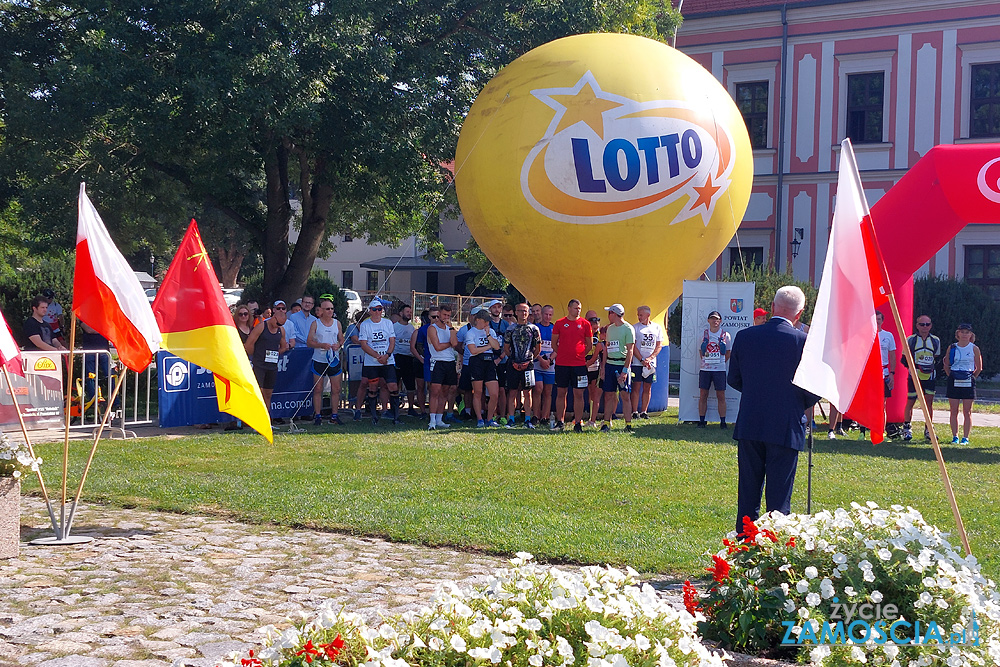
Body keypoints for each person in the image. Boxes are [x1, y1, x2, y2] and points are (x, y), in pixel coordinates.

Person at [727, 286, 818, 533]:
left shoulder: (745, 337)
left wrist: (758, 393)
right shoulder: (804, 342)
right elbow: (814, 387)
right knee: (779, 499)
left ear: (773, 306)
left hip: (751, 422)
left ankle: (744, 546)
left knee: (748, 492)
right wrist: (794, 403)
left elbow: (733, 379)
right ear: (799, 313)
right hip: (786, 425)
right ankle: (772, 551)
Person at [245, 299, 290, 425]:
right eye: (277, 323)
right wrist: (257, 355)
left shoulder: (281, 330)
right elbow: (249, 345)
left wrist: (276, 353)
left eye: (281, 325)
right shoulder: (261, 327)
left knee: (268, 393)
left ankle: (265, 420)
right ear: (274, 317)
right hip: (259, 364)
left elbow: (283, 346)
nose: (278, 326)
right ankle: (254, 420)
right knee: (258, 392)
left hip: (272, 366)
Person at [551, 299, 593, 432]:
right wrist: (563, 353)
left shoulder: (585, 324)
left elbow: (589, 345)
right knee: (561, 392)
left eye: (579, 308)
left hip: (579, 365)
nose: (578, 310)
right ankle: (560, 422)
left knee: (579, 394)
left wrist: (579, 355)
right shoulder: (560, 323)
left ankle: (578, 423)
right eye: (576, 308)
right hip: (562, 364)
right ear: (569, 308)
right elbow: (554, 344)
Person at [901, 314, 942, 442]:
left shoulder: (935, 340)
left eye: (927, 324)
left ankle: (928, 429)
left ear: (931, 325)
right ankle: (907, 428)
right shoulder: (911, 340)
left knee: (928, 402)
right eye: (922, 324)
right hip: (914, 376)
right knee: (911, 401)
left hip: (929, 376)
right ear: (917, 326)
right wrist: (913, 368)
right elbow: (904, 359)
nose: (925, 327)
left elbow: (936, 357)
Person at [358, 299, 400, 424]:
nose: (377, 312)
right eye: (375, 309)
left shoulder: (387, 323)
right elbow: (363, 344)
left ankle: (395, 415)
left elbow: (392, 341)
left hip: (388, 361)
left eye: (380, 309)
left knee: (393, 386)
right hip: (372, 362)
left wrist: (387, 355)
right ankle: (374, 416)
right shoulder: (365, 325)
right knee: (372, 387)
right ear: (370, 311)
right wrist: (377, 356)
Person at [307, 298, 345, 426]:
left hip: (333, 359)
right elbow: (309, 342)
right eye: (327, 309)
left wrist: (338, 345)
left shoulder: (337, 323)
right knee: (318, 388)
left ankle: (334, 415)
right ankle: (318, 415)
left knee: (336, 388)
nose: (330, 311)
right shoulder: (316, 324)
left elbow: (341, 339)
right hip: (319, 359)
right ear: (321, 311)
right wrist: (321, 344)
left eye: (332, 309)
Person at [943, 323, 982, 445]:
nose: (964, 334)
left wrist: (971, 378)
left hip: (968, 378)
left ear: (971, 335)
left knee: (967, 411)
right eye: (962, 332)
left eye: (967, 332)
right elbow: (947, 364)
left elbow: (979, 367)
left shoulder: (974, 348)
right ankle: (955, 436)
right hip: (954, 377)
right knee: (953, 410)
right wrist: (951, 375)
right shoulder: (952, 347)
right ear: (958, 333)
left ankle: (966, 437)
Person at [503, 302, 541, 428]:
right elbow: (507, 348)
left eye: (525, 311)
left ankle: (528, 419)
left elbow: (537, 348)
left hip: (528, 365)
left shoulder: (534, 329)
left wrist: (529, 360)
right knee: (512, 392)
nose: (523, 313)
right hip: (513, 364)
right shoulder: (510, 329)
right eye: (520, 311)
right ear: (516, 312)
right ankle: (511, 418)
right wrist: (514, 360)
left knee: (527, 393)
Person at [599, 304, 634, 433]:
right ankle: (606, 423)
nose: (608, 316)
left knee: (625, 395)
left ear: (614, 314)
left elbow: (630, 351)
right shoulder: (610, 329)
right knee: (608, 395)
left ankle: (628, 424)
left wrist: (625, 370)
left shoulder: (628, 329)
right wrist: (603, 367)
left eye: (610, 313)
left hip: (621, 364)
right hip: (610, 364)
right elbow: (607, 348)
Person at [467, 310, 502, 427]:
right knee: (477, 392)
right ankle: (480, 419)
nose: (487, 323)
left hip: (489, 361)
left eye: (488, 321)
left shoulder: (490, 331)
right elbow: (473, 350)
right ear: (478, 320)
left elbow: (497, 347)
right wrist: (488, 346)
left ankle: (490, 418)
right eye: (485, 321)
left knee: (494, 393)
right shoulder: (471, 333)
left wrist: (488, 335)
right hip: (476, 362)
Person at [427, 304, 458, 429]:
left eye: (449, 316)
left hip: (450, 361)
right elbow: (437, 347)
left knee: (446, 391)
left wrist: (451, 330)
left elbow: (455, 343)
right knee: (435, 391)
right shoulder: (432, 328)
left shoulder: (450, 329)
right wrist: (449, 343)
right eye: (444, 315)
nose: (446, 317)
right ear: (439, 314)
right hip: (437, 361)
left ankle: (440, 418)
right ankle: (432, 420)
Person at [698, 311, 731, 429]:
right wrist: (706, 361)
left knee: (721, 395)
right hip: (705, 369)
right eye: (712, 319)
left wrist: (720, 362)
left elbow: (728, 352)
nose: (715, 321)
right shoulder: (704, 334)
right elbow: (700, 351)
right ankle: (701, 421)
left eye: (717, 319)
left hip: (720, 370)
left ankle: (723, 422)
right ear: (708, 320)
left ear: (720, 321)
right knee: (703, 394)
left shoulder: (725, 335)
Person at [630, 305, 664, 420]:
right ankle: (634, 411)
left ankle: (644, 411)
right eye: (638, 315)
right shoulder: (635, 328)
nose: (639, 317)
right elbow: (633, 346)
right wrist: (641, 359)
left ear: (648, 315)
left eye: (641, 315)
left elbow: (659, 345)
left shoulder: (657, 328)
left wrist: (650, 358)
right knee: (636, 386)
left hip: (650, 364)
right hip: (637, 363)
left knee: (647, 387)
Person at [411, 307, 438, 418]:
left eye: (437, 316)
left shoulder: (442, 328)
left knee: (433, 387)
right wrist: (422, 359)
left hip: (435, 361)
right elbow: (417, 347)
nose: (436, 319)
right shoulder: (421, 330)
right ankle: (423, 411)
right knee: (421, 386)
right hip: (422, 360)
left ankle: (434, 411)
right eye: (433, 317)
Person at [531, 305, 556, 427]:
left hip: (550, 365)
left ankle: (545, 417)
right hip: (537, 363)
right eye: (546, 314)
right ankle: (535, 415)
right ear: (541, 313)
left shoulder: (554, 328)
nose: (547, 317)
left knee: (548, 391)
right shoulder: (536, 328)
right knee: (538, 388)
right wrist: (540, 359)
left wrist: (550, 359)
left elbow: (558, 347)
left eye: (550, 315)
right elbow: (532, 347)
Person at [393, 303, 419, 416]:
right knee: (395, 384)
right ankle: (394, 407)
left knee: (410, 385)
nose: (409, 314)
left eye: (410, 312)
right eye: (407, 312)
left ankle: (411, 408)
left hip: (409, 358)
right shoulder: (394, 327)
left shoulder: (412, 328)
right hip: (397, 357)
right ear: (401, 313)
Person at [876, 311, 898, 439]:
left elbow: (893, 356)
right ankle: (863, 430)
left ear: (882, 320)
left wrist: (892, 373)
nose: (877, 321)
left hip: (884, 372)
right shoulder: (867, 334)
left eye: (879, 318)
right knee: (869, 402)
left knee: (882, 403)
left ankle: (881, 430)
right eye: (875, 319)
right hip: (870, 373)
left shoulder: (888, 336)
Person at [584, 310, 605, 429]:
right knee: (588, 392)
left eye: (597, 325)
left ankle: (594, 419)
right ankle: (590, 417)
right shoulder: (583, 334)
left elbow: (601, 352)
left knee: (596, 393)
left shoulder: (600, 336)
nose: (595, 328)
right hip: (585, 365)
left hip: (596, 367)